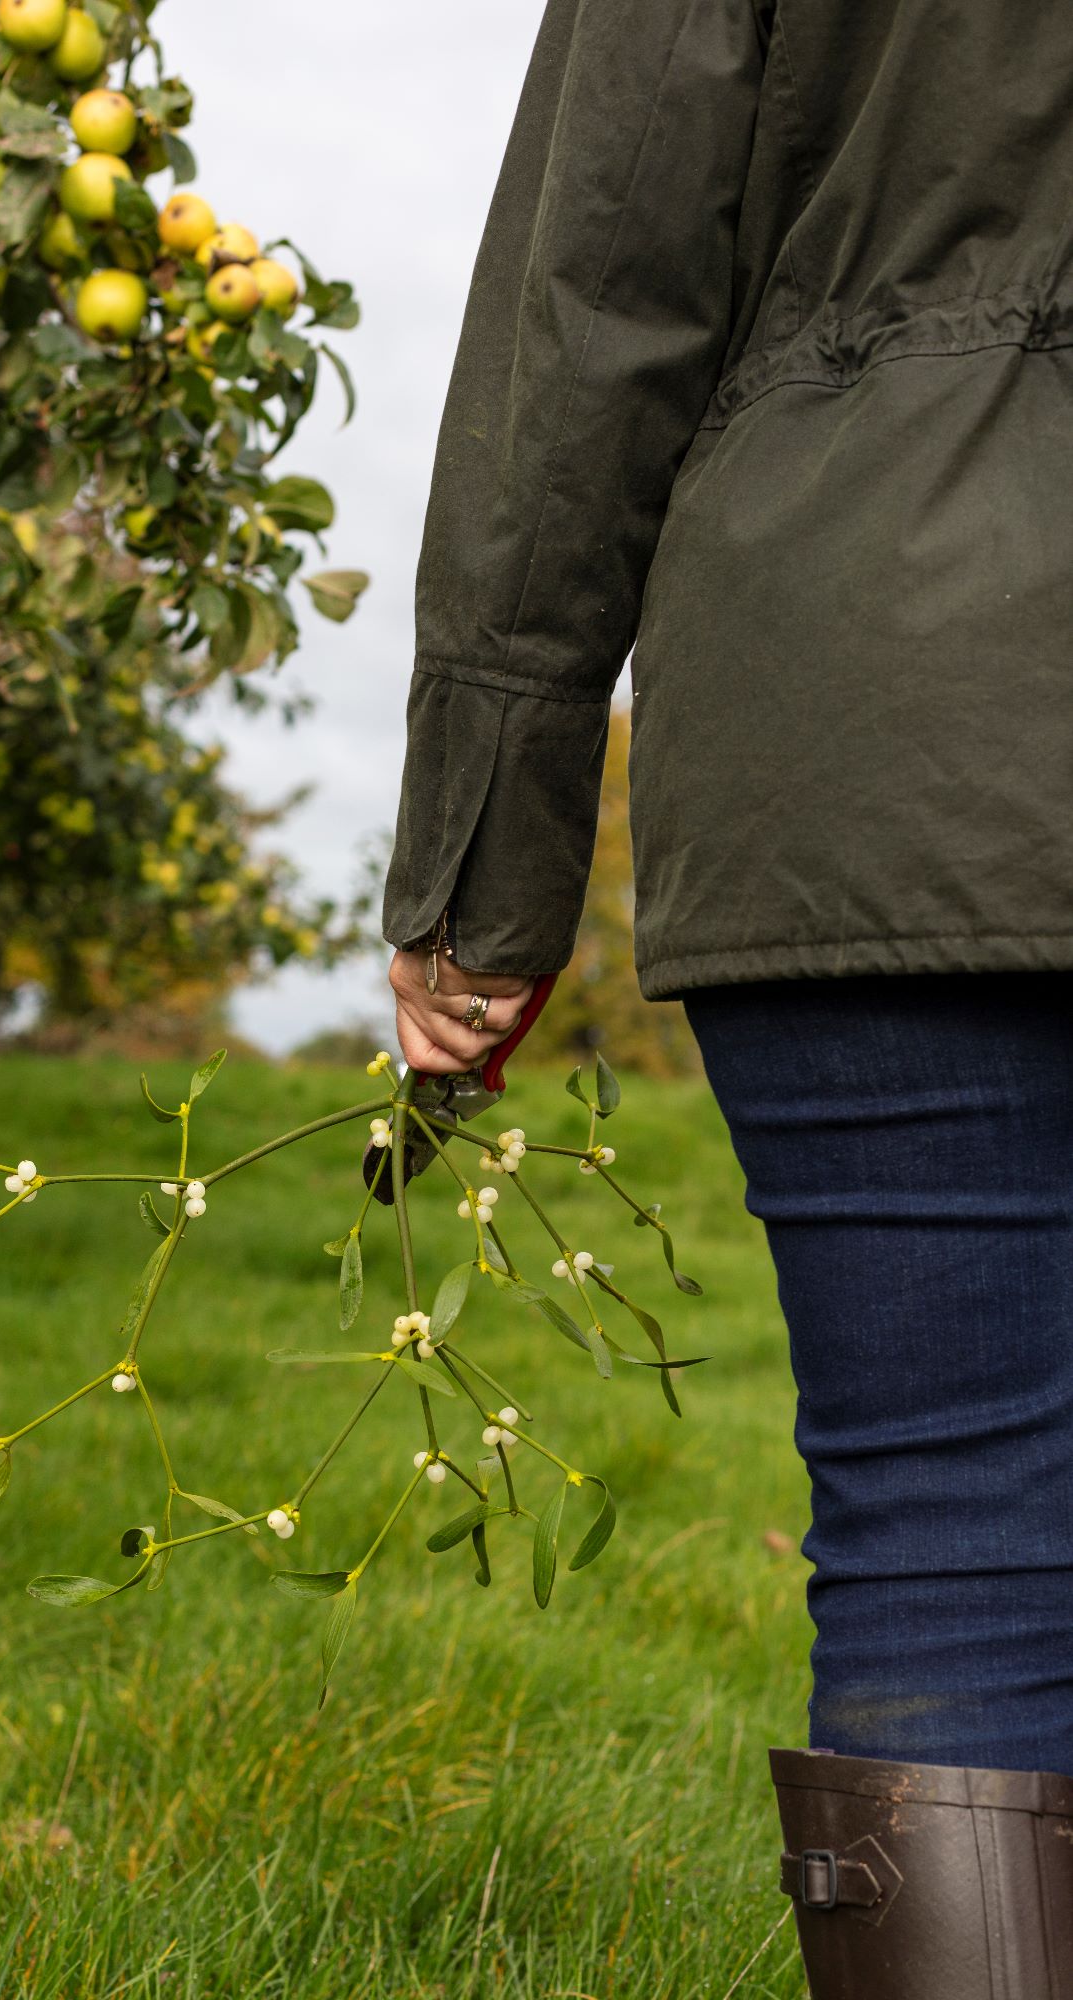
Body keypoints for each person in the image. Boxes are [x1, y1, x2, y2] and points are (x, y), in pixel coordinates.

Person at [382, 3, 1073, 1994]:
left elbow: (601, 277)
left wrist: (481, 860)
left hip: (896, 694)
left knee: (961, 1525)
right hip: (914, 724)